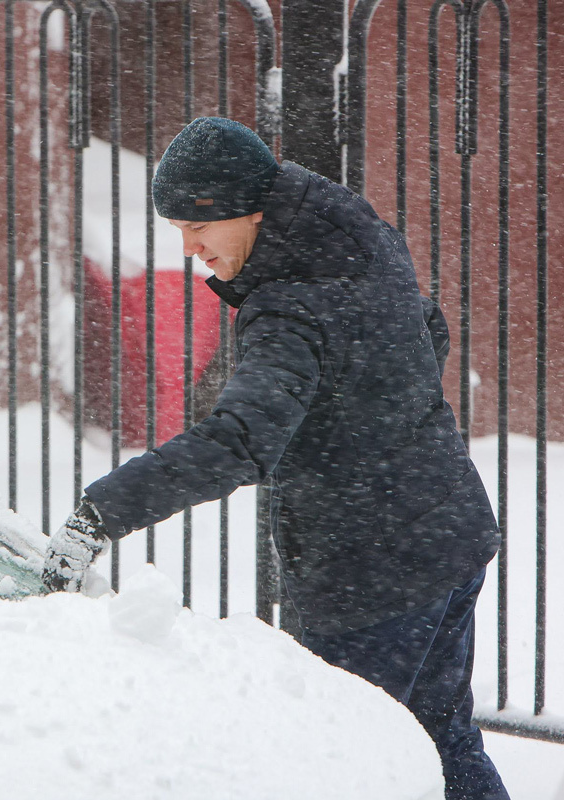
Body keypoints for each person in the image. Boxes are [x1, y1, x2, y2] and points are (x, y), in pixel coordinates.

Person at [41, 117, 509, 800]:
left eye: (199, 225)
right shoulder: (359, 237)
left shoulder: (288, 307)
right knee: (444, 738)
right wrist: (365, 422)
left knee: (341, 770)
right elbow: (425, 328)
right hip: (449, 537)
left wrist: (100, 512)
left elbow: (237, 442)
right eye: (176, 229)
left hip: (371, 579)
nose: (189, 245)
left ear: (248, 208)